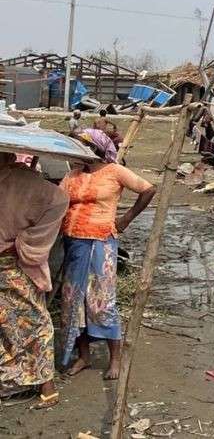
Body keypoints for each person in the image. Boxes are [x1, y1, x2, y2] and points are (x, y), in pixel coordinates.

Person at [59, 132, 156, 380]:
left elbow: (148, 189)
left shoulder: (114, 171)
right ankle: (84, 355)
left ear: (95, 148)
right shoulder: (74, 173)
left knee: (101, 300)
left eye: (83, 146)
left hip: (101, 241)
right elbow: (58, 199)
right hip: (73, 241)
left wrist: (125, 220)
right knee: (73, 300)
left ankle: (115, 359)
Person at [0, 152, 68, 408]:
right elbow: (60, 198)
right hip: (17, 264)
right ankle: (22, 381)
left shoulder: (20, 183)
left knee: (33, 323)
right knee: (32, 323)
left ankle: (45, 387)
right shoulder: (37, 186)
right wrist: (25, 240)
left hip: (13, 267)